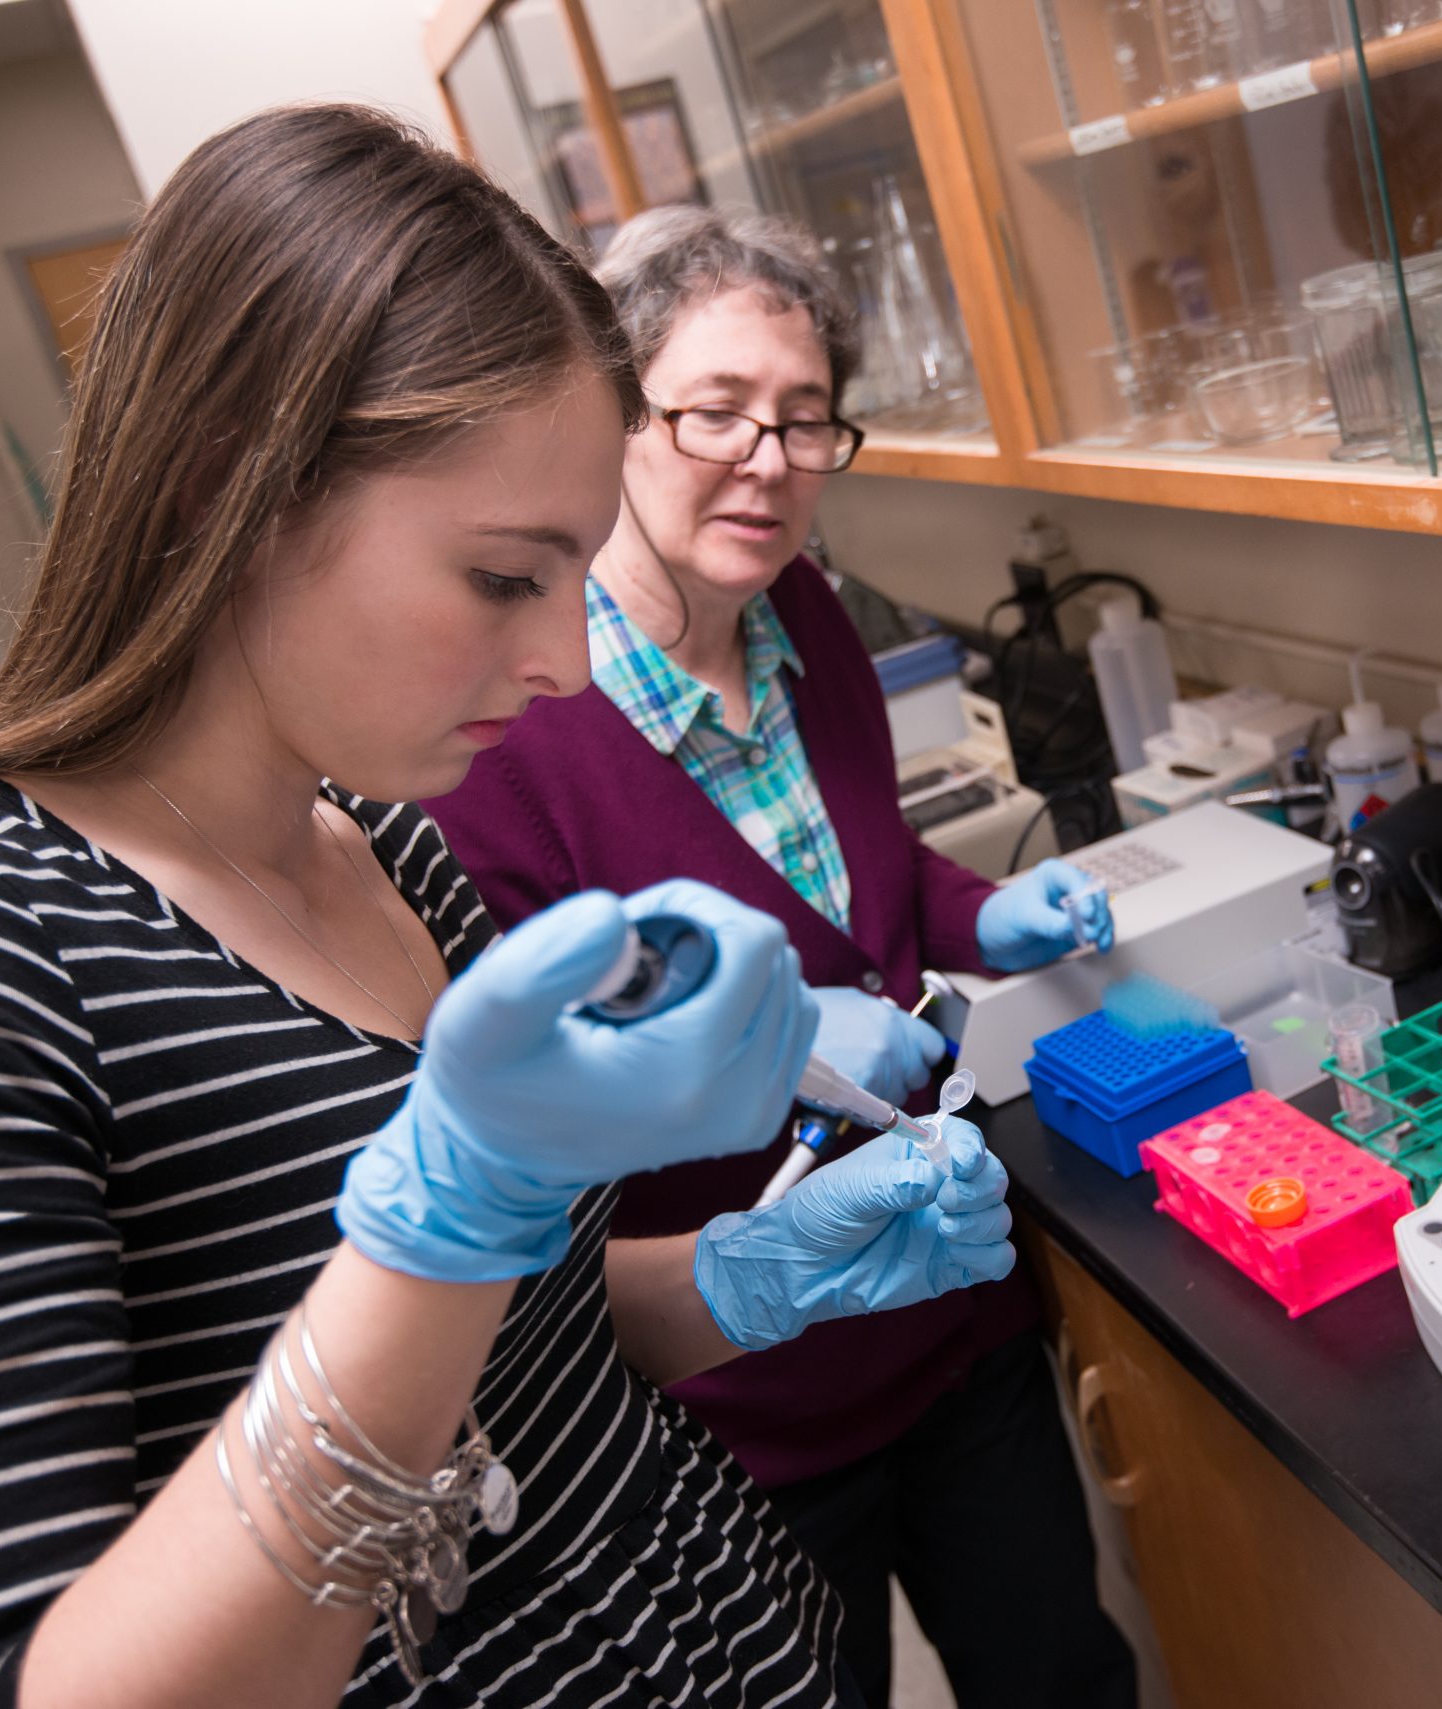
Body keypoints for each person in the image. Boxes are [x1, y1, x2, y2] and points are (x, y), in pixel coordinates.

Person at [0, 105, 1017, 1709]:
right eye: (507, 578)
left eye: (575, 581)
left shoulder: (383, 846)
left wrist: (741, 1271)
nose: (566, 662)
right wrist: (441, 1215)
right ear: (232, 488)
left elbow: (529, 1355)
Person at [427, 204, 1138, 1708]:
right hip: (746, 1401)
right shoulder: (507, 737)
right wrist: (778, 1053)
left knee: (1062, 1672)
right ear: (615, 414)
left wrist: (969, 914)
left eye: (807, 421)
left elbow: (863, 876)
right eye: (719, 411)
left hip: (954, 1311)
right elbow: (526, 1134)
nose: (769, 458)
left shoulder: (800, 612)